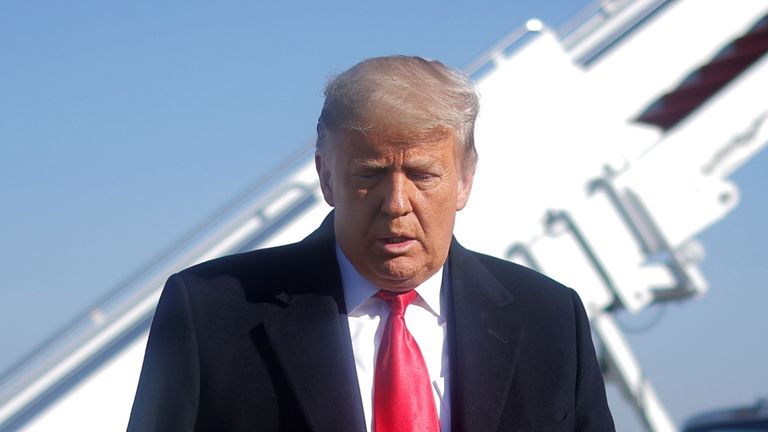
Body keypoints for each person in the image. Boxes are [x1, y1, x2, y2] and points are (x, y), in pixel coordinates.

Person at [128, 55, 615, 431]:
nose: (397, 203)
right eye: (370, 174)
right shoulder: (210, 312)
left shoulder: (550, 318)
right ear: (326, 177)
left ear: (465, 179)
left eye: (423, 175)